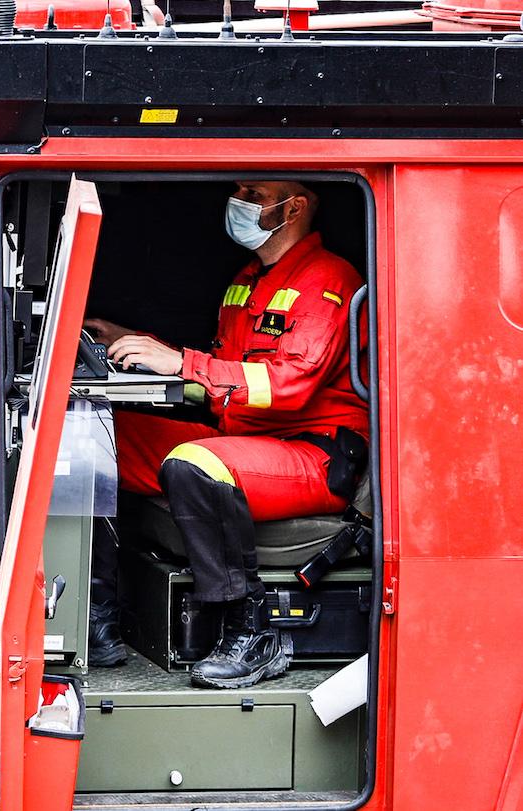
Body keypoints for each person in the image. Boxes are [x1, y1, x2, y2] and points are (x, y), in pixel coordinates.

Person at [84, 180, 368, 688]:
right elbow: (226, 371)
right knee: (100, 439)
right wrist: (135, 340)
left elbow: (288, 385)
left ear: (295, 207)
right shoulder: (249, 280)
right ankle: (100, 614)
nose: (238, 201)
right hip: (248, 438)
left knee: (197, 464)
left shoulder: (328, 280)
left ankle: (251, 631)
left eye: (254, 194)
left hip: (314, 454)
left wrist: (179, 362)